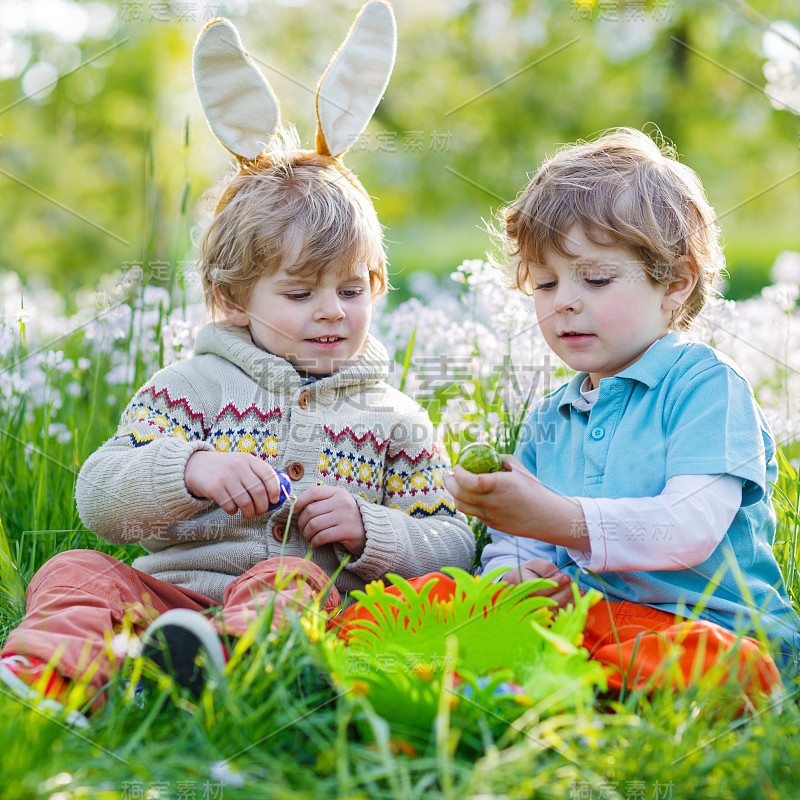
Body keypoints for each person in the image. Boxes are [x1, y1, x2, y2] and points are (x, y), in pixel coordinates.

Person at [0, 2, 474, 723]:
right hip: (167, 600)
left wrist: (369, 528)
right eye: (298, 292)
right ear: (230, 299)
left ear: (376, 285)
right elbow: (99, 497)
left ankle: (230, 675)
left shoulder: (395, 421)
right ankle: (53, 680)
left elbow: (452, 545)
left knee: (289, 582)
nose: (331, 311)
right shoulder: (188, 390)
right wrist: (188, 469)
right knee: (75, 572)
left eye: (351, 289)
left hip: (300, 606)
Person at [445, 128, 799, 700]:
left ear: (675, 283)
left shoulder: (705, 388)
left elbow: (686, 530)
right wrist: (516, 579)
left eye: (597, 278)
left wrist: (559, 519)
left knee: (721, 663)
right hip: (595, 625)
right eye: (546, 282)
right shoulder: (552, 416)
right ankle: (554, 685)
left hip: (712, 630)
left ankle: (537, 689)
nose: (563, 300)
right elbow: (521, 542)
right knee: (449, 593)